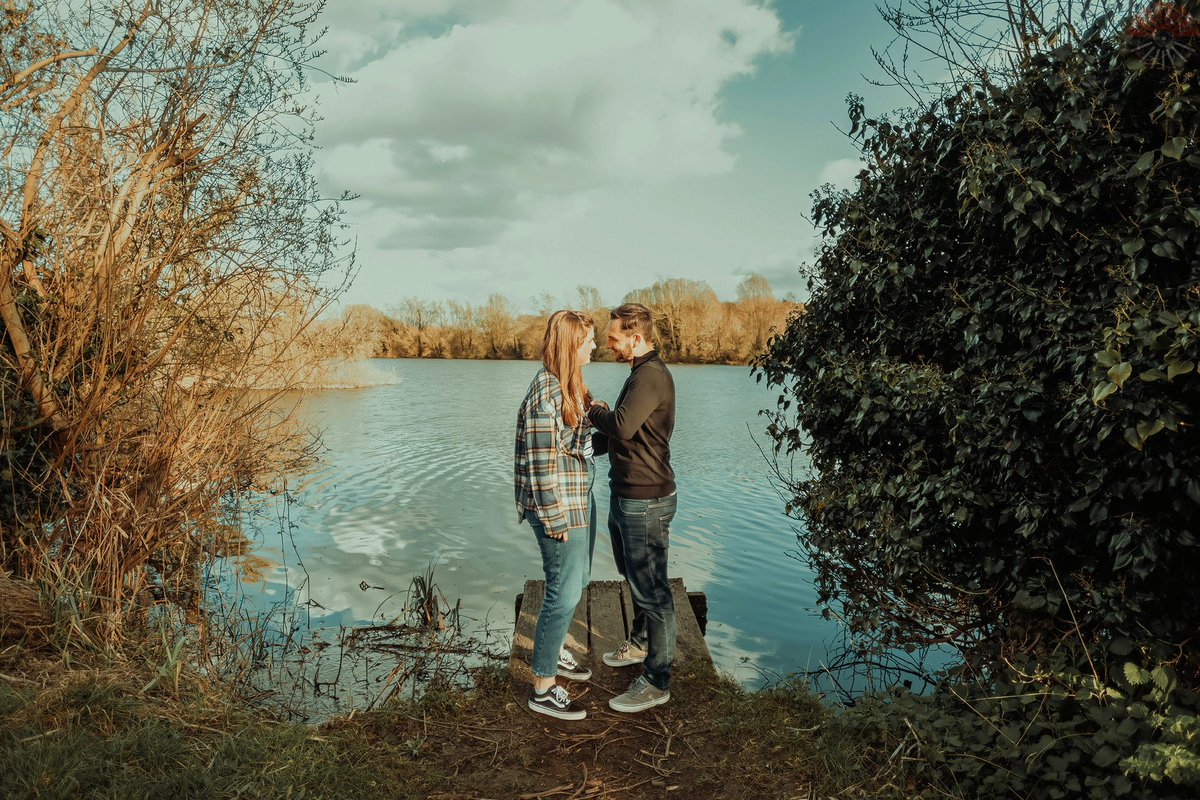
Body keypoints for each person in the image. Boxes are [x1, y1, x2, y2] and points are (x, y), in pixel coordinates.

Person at [587, 302, 677, 714]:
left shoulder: (651, 376)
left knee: (653, 591)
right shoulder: (639, 374)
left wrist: (594, 411)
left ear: (635, 337)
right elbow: (624, 435)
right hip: (627, 493)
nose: (609, 345)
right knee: (634, 577)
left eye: (614, 338)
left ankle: (658, 681)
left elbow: (621, 425)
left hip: (646, 499)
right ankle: (641, 645)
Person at [514, 310, 599, 721]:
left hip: (578, 498)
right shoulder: (544, 393)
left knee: (577, 582)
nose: (594, 347)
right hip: (558, 506)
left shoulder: (568, 387)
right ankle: (543, 686)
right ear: (570, 345)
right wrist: (554, 519)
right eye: (588, 342)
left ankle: (555, 649)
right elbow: (540, 463)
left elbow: (574, 447)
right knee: (562, 592)